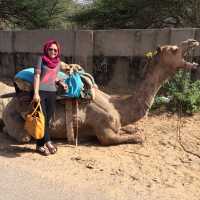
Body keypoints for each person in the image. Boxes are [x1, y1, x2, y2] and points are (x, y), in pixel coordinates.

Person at [33, 40, 63, 156]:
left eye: (55, 50)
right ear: (46, 49)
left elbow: (54, 77)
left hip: (52, 93)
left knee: (47, 119)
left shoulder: (58, 62)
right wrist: (36, 93)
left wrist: (60, 82)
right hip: (41, 92)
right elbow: (37, 76)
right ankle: (47, 142)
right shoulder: (41, 59)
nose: (53, 51)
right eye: (51, 49)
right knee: (42, 119)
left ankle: (39, 145)